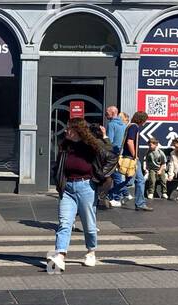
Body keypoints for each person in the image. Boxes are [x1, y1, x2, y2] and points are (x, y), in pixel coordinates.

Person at [46, 119, 111, 272]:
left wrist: (101, 175)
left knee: (89, 224)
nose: (65, 131)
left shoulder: (91, 145)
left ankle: (91, 252)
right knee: (64, 223)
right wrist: (58, 178)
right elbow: (59, 165)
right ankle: (60, 256)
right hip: (68, 188)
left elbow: (110, 153)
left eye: (68, 128)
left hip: (86, 187)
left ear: (77, 131)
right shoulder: (65, 145)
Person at [121, 110, 151, 211]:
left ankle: (140, 203)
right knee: (137, 180)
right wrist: (135, 156)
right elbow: (130, 142)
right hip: (132, 158)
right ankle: (110, 194)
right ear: (141, 119)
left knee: (134, 180)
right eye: (145, 120)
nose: (145, 122)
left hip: (129, 157)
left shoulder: (131, 126)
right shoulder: (134, 127)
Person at [104, 106, 128, 206]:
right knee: (116, 176)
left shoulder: (111, 124)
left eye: (107, 113)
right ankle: (122, 194)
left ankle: (118, 197)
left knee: (115, 176)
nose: (105, 115)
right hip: (120, 154)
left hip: (112, 154)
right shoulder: (123, 125)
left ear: (113, 113)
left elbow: (109, 141)